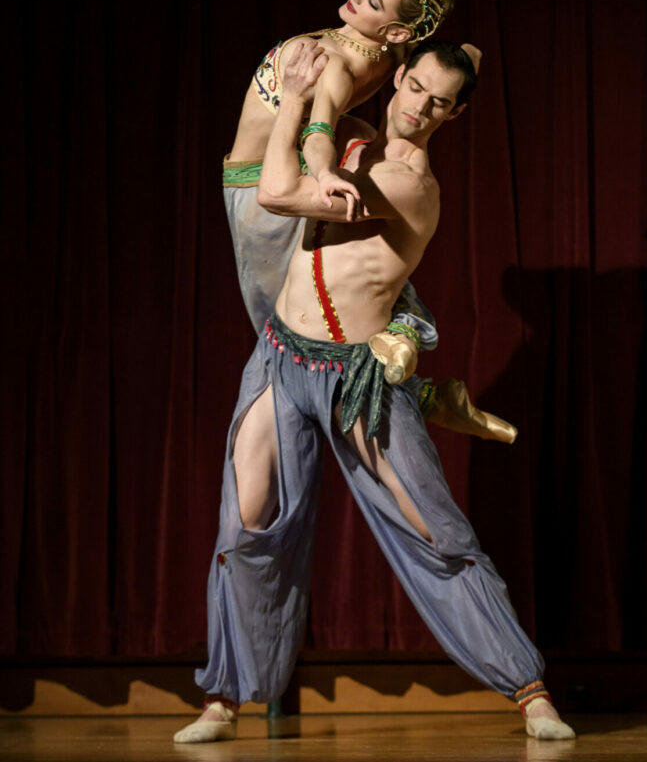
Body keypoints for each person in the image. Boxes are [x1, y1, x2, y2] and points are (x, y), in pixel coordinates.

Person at [174, 40, 575, 743]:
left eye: (438, 102)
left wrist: (302, 107)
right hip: (280, 358)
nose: (418, 107)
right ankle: (224, 698)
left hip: (355, 376)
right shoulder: (352, 141)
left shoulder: (411, 185)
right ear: (398, 76)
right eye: (414, 86)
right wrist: (317, 93)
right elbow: (315, 112)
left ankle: (529, 689)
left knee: (433, 528)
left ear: (454, 114)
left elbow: (277, 191)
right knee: (246, 522)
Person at [224, 0, 516, 442]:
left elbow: (319, 131)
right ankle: (416, 360)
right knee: (342, 283)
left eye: (375, 1)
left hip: (257, 189)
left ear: (397, 32)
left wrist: (325, 173)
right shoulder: (395, 54)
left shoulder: (338, 64)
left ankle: (420, 394)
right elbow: (467, 54)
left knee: (283, 330)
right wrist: (469, 54)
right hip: (295, 161)